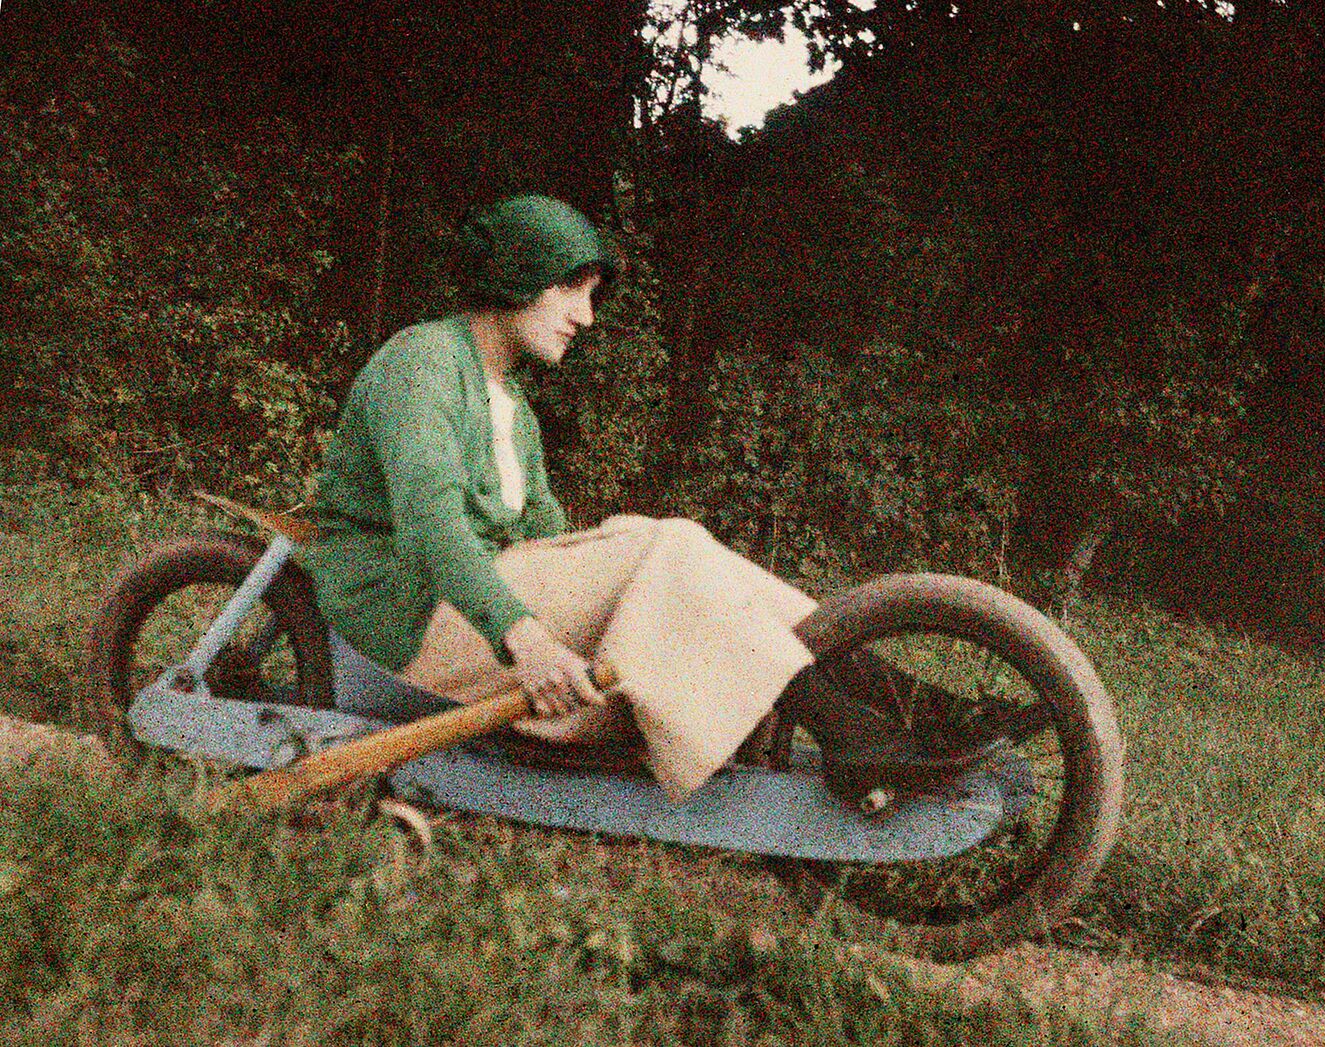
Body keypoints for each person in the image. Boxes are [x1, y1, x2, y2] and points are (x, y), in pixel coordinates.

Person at [306, 194, 991, 809]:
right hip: (404, 615)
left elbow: (549, 542)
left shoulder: (513, 406)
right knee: (663, 544)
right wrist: (531, 639)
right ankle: (852, 732)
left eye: (592, 294)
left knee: (664, 543)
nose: (585, 315)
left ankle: (909, 705)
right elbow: (431, 525)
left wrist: (609, 593)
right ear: (514, 279)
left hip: (468, 602)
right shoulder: (422, 362)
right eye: (570, 288)